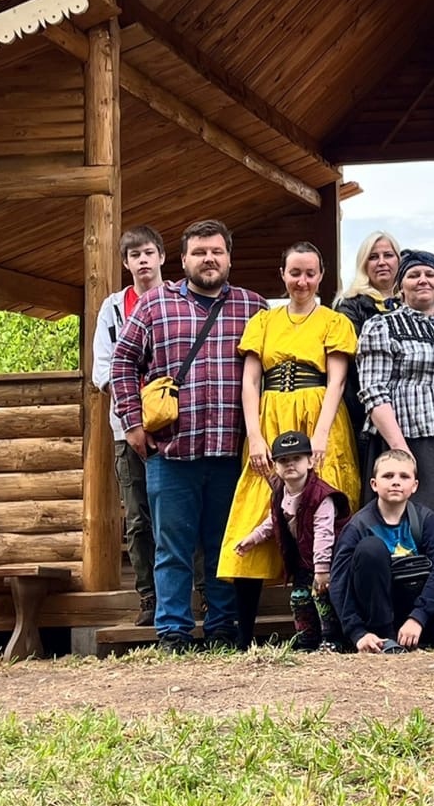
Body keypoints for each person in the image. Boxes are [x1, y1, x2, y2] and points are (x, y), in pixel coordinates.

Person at [109, 219, 265, 649]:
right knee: (171, 548)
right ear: (183, 260)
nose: (208, 259)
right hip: (170, 452)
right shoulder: (155, 305)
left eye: (216, 251)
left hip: (230, 452)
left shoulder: (254, 308)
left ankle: (221, 627)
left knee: (223, 546)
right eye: (199, 252)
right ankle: (173, 631)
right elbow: (122, 364)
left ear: (229, 257)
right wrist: (133, 424)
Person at [218, 241, 361, 644]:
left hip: (319, 417)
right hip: (270, 418)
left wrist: (319, 434)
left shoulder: (334, 322)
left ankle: (336, 629)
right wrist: (256, 435)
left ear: (321, 276)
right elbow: (250, 381)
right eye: (295, 272)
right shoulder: (264, 322)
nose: (302, 281)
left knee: (325, 512)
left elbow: (337, 380)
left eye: (310, 273)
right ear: (283, 274)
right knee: (255, 511)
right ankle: (243, 634)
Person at [358, 248, 434, 614]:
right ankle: (407, 610)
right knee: (411, 525)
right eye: (413, 275)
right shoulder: (381, 326)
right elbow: (373, 390)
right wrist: (399, 451)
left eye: (430, 274)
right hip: (409, 439)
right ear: (400, 285)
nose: (423, 281)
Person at [90, 223, 165, 620]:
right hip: (126, 428)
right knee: (138, 518)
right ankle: (148, 598)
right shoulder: (113, 309)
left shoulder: (177, 301)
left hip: (174, 428)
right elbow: (101, 370)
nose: (143, 261)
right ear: (125, 263)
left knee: (182, 513)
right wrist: (134, 412)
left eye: (149, 253)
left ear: (163, 258)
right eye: (135, 255)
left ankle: (198, 595)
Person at [329, 447, 434, 652]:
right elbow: (339, 583)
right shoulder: (357, 526)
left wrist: (418, 618)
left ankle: (410, 638)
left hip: (413, 603)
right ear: (374, 484)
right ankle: (383, 639)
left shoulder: (424, 519)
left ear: (415, 485)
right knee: (371, 549)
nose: (396, 481)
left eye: (404, 476)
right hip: (375, 610)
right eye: (388, 476)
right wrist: (356, 632)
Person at [225, 429, 351, 650]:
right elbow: (274, 521)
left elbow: (324, 534)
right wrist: (253, 539)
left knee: (323, 599)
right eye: (283, 460)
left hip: (328, 562)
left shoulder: (321, 496)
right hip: (303, 562)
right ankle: (307, 640)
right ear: (276, 466)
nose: (290, 464)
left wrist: (322, 570)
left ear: (311, 461)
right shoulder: (281, 492)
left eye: (297, 458)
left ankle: (332, 640)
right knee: (299, 598)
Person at [335, 229, 402, 465]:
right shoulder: (350, 306)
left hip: (412, 409)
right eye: (373, 257)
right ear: (363, 263)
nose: (382, 262)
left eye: (388, 255)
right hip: (365, 412)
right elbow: (355, 361)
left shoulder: (413, 303)